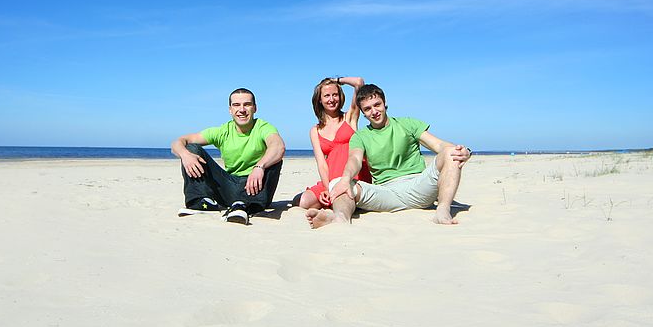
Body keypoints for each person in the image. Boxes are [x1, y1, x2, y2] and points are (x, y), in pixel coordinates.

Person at [305, 83, 471, 229]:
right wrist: (346, 178)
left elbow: (439, 145)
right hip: (385, 193)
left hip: (419, 187)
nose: (374, 111)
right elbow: (354, 160)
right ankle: (340, 218)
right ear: (363, 113)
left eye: (377, 105)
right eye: (368, 109)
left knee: (450, 152)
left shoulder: (408, 124)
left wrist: (464, 151)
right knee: (339, 182)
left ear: (385, 104)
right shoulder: (361, 136)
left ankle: (442, 210)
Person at [171, 88, 285, 225]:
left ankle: (245, 206)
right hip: (229, 186)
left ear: (255, 108)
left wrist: (259, 167)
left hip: (255, 188)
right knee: (191, 149)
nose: (241, 109)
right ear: (230, 109)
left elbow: (278, 146)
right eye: (236, 105)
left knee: (274, 159)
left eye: (247, 104)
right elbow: (178, 142)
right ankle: (200, 203)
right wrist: (185, 155)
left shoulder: (263, 128)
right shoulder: (222, 131)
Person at [295, 76, 373, 209]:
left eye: (335, 94)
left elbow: (359, 82)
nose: (331, 99)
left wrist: (336, 81)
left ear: (340, 96)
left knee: (344, 199)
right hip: (330, 180)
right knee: (303, 202)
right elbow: (322, 165)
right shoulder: (315, 130)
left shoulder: (350, 117)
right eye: (326, 95)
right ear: (319, 100)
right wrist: (326, 188)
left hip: (353, 178)